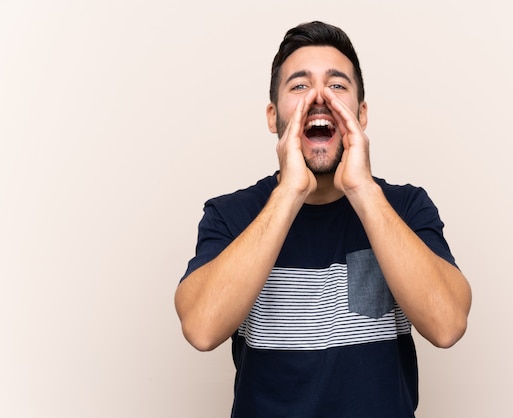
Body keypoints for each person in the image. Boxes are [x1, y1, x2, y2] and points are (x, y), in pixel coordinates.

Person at [175, 21, 472, 417]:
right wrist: (289, 192)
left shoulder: (404, 207)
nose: (319, 98)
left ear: (361, 114)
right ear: (272, 116)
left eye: (337, 85)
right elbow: (201, 327)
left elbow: (448, 324)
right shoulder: (231, 215)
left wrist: (363, 190)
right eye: (299, 86)